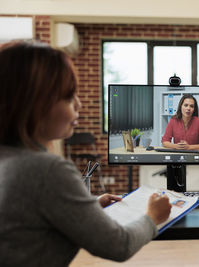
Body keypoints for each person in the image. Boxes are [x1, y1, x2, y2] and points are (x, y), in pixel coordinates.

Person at [0, 41, 172, 266]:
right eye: (69, 97)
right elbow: (119, 245)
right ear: (35, 103)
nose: (79, 105)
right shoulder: (45, 169)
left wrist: (86, 205)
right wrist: (152, 217)